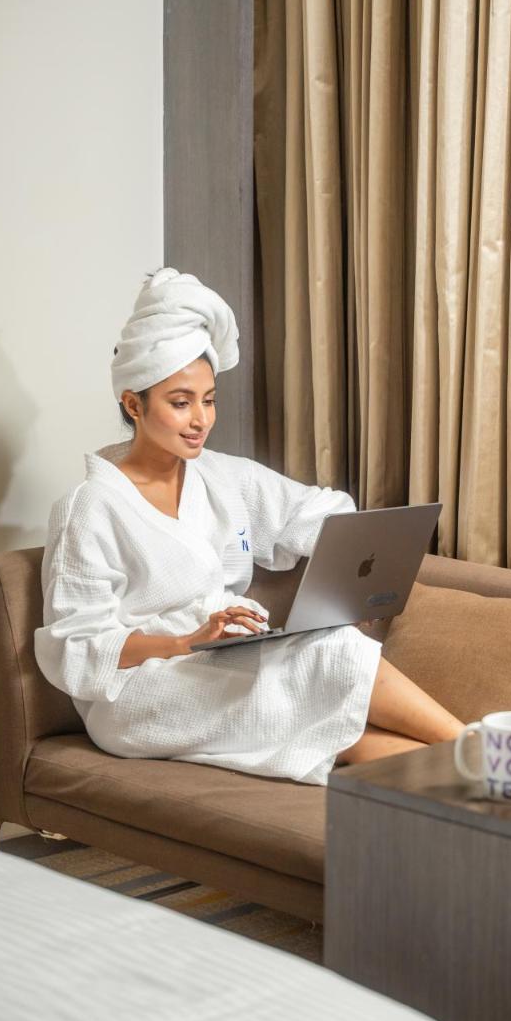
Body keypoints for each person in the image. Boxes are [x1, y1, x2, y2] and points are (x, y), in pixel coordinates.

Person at [35, 267, 464, 785]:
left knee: (338, 717)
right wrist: (185, 641)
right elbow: (77, 646)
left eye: (209, 399)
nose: (201, 419)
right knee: (329, 656)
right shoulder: (90, 506)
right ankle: (489, 748)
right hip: (138, 690)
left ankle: (486, 777)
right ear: (133, 404)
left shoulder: (221, 477)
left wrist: (353, 585)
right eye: (180, 402)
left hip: (222, 658)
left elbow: (319, 513)